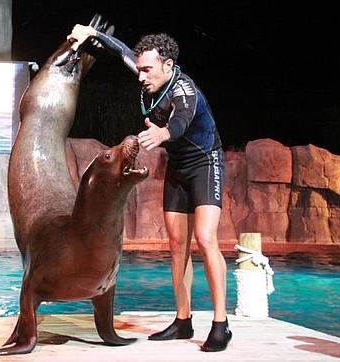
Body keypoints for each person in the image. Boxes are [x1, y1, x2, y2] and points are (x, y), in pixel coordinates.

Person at [68, 25, 232, 352]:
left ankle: (220, 323)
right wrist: (91, 34)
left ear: (168, 66)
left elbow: (182, 119)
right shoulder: (147, 72)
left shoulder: (185, 90)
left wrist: (162, 135)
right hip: (179, 166)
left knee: (205, 238)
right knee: (176, 243)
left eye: (147, 69)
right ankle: (183, 321)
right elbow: (121, 51)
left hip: (205, 163)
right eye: (140, 68)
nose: (141, 75)